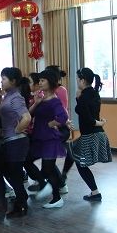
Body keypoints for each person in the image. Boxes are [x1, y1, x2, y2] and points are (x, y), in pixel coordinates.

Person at [66, 68, 112, 201]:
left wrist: (99, 123)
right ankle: (63, 180)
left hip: (90, 135)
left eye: (77, 79)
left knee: (80, 162)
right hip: (97, 134)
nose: (76, 81)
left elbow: (87, 118)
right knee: (72, 152)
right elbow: (85, 111)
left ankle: (95, 192)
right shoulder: (94, 93)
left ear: (82, 80)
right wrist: (77, 98)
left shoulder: (84, 96)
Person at [0, 68, 31, 218]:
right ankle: (18, 196)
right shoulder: (8, 96)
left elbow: (26, 118)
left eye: (4, 79)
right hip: (9, 141)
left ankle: (20, 206)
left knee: (14, 174)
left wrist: (17, 130)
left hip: (17, 142)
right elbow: (6, 117)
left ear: (13, 81)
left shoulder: (16, 97)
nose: (1, 81)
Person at [28, 69, 68, 208]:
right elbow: (29, 115)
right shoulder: (41, 99)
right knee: (27, 160)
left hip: (49, 140)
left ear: (50, 82)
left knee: (48, 169)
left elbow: (63, 117)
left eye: (42, 80)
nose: (40, 83)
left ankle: (56, 198)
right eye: (39, 80)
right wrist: (36, 103)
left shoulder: (54, 101)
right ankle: (44, 185)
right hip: (38, 138)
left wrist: (51, 123)